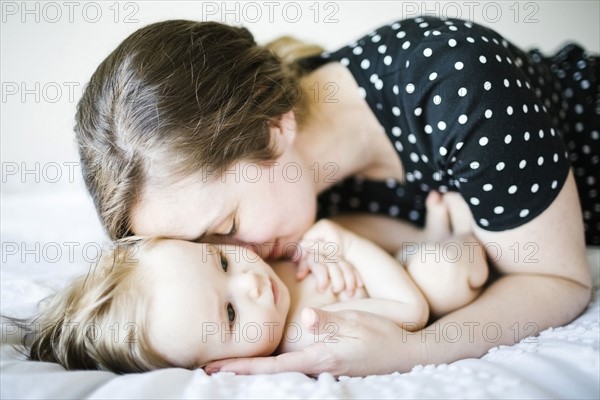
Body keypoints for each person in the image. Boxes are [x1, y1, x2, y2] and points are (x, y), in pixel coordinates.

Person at [74, 16, 596, 376]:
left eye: (226, 229)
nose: (243, 259)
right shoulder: (297, 204)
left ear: (274, 132)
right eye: (200, 247)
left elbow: (560, 280)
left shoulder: (458, 86)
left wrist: (413, 350)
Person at [11, 216, 488, 374]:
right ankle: (465, 231)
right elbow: (410, 311)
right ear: (212, 365)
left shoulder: (258, 265)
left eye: (220, 262)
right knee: (444, 275)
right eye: (233, 313)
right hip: (401, 280)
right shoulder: (306, 328)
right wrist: (338, 242)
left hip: (383, 253)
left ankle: (427, 231)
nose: (251, 281)